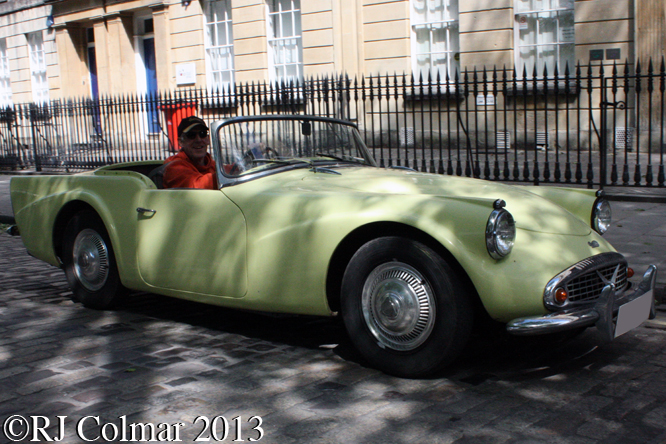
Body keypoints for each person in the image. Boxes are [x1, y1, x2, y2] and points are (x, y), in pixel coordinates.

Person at [163, 116, 218, 189]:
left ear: (208, 139)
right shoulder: (174, 166)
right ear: (181, 142)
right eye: (191, 135)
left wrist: (235, 170)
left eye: (202, 134)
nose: (198, 140)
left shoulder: (211, 163)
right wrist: (225, 175)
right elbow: (196, 187)